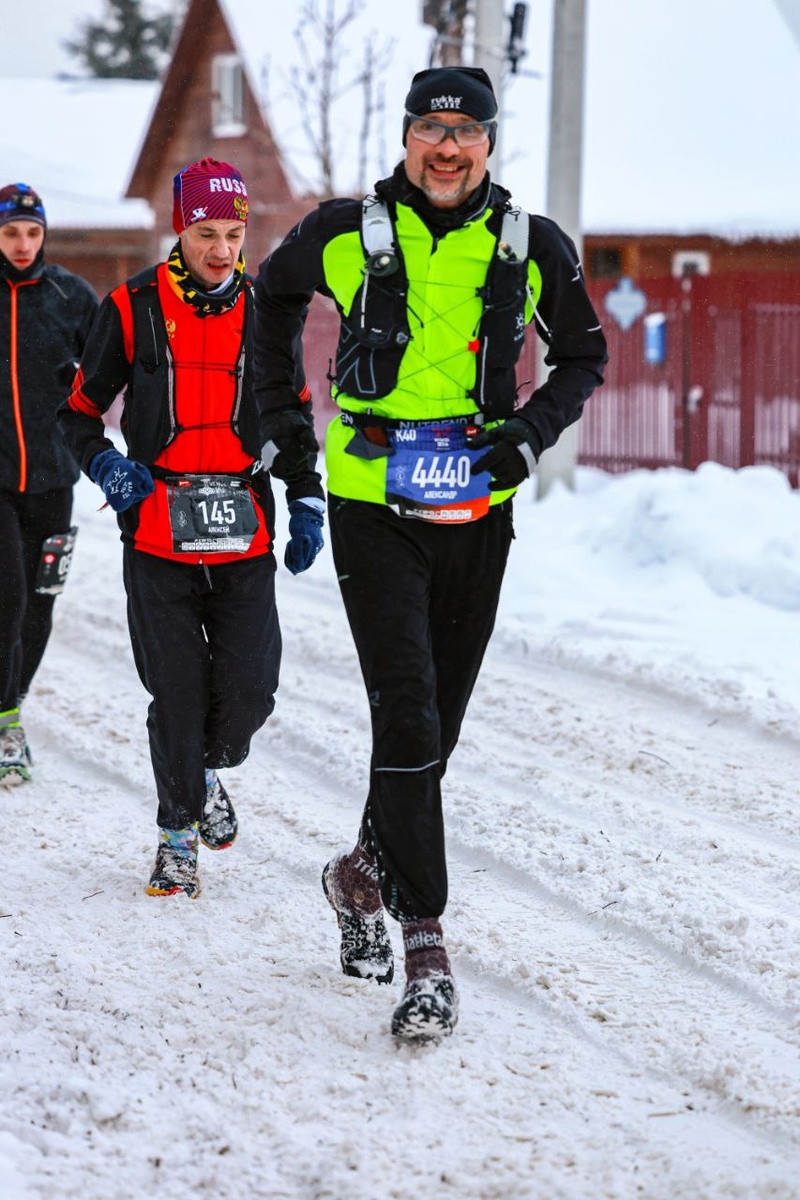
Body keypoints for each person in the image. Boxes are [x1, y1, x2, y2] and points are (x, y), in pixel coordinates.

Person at [253, 67, 607, 1040]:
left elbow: (583, 356)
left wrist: (528, 434)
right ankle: (426, 947)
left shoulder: (531, 246)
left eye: (465, 132)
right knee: (404, 709)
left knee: (434, 725)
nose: (445, 148)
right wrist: (285, 425)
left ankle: (359, 873)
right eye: (429, 129)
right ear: (406, 136)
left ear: (488, 144)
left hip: (476, 508)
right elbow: (265, 307)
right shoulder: (341, 231)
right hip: (372, 502)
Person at [57, 157, 325, 898]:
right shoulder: (130, 307)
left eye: (234, 234)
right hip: (157, 536)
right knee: (175, 693)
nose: (221, 250)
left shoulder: (267, 313)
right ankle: (177, 837)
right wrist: (109, 468)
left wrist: (306, 498)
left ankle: (208, 770)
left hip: (242, 532)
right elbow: (78, 415)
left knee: (248, 693)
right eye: (206, 232)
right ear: (182, 228)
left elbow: (291, 416)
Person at [0, 183, 98, 783]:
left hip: (56, 476)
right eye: (11, 232)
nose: (21, 243)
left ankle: (13, 703)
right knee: (7, 595)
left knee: (41, 601)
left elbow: (110, 367)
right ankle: (7, 719)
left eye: (32, 233)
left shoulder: (70, 295)